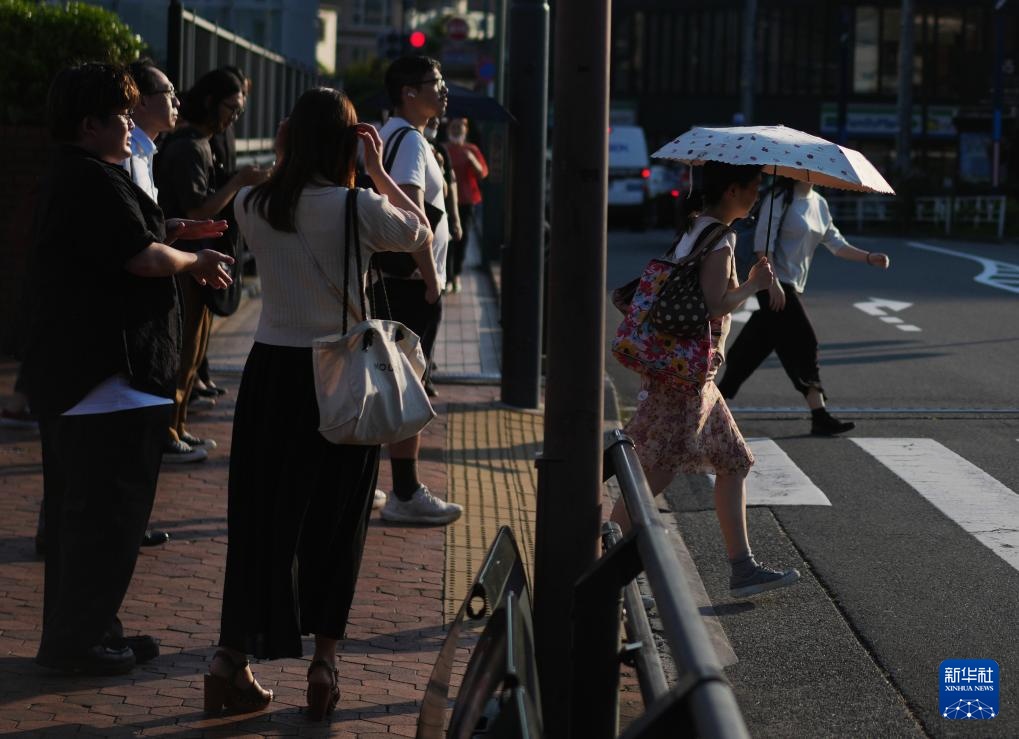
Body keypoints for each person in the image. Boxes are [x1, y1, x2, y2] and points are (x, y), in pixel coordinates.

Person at [209, 88, 432, 720]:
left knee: (258, 518)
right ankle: (325, 663)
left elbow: (281, 189)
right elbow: (418, 231)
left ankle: (230, 659)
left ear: (289, 137)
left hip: (270, 374)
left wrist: (289, 155)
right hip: (339, 376)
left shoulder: (254, 203)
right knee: (338, 519)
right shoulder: (357, 206)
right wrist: (379, 170)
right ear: (345, 142)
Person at [22, 62, 232, 675]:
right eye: (119, 114)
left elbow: (129, 240)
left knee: (89, 516)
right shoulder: (90, 178)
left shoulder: (83, 174)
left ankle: (92, 630)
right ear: (89, 125)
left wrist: (173, 230)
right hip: (106, 376)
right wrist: (192, 261)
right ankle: (79, 642)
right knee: (105, 517)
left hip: (93, 376)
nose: (129, 123)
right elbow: (139, 258)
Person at [611, 162, 801, 599]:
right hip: (688, 379)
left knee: (732, 461)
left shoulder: (697, 228)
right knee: (655, 474)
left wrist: (753, 282)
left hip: (693, 375)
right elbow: (714, 305)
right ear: (732, 190)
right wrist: (753, 284)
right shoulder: (721, 239)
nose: (757, 196)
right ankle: (601, 559)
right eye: (753, 187)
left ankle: (743, 568)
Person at [716, 178, 891, 435]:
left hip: (792, 285)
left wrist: (868, 257)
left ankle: (711, 405)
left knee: (753, 347)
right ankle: (819, 415)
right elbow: (762, 245)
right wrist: (773, 282)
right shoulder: (779, 199)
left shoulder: (819, 203)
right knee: (805, 342)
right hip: (773, 283)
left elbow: (836, 243)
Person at [155, 69, 268, 463]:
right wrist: (238, 181)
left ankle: (179, 425)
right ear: (209, 102)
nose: (234, 117)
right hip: (186, 261)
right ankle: (167, 432)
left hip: (198, 260)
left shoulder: (201, 143)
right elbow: (197, 210)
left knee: (196, 348)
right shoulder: (188, 148)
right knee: (183, 349)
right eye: (231, 108)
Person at [373, 56, 463, 525]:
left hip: (389, 279)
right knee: (409, 388)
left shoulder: (389, 134)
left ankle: (368, 483)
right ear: (409, 92)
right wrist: (430, 276)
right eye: (436, 82)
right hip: (410, 284)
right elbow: (410, 210)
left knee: (385, 383)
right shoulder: (409, 141)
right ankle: (406, 493)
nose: (444, 90)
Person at [122, 58, 181, 548]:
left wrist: (172, 231)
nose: (175, 101)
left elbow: (144, 230)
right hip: (129, 307)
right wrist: (189, 258)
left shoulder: (146, 151)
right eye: (167, 93)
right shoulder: (127, 154)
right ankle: (117, 521)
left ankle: (120, 518)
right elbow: (132, 241)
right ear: (140, 102)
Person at [443, 116, 488, 292]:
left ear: (465, 130)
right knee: (446, 239)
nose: (456, 130)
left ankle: (457, 275)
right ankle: (447, 277)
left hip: (467, 201)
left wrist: (472, 160)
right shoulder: (443, 149)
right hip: (446, 201)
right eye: (453, 127)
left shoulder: (472, 149)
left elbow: (482, 173)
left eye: (459, 127)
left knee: (463, 238)